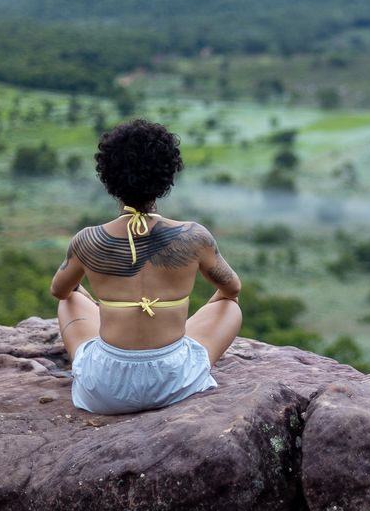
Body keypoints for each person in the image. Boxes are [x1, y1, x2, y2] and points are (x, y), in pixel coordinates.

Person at [51, 118, 242, 414]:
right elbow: (232, 289)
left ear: (108, 177)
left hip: (105, 390)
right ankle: (174, 348)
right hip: (174, 382)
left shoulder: (87, 240)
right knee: (231, 306)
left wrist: (97, 299)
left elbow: (59, 290)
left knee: (71, 298)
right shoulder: (195, 237)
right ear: (167, 176)